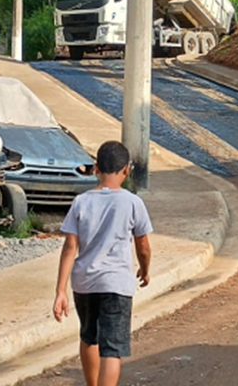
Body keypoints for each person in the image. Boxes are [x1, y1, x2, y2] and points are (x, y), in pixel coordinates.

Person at [53, 141, 153, 386]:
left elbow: (69, 248)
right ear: (126, 170)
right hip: (116, 283)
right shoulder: (132, 203)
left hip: (84, 283)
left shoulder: (81, 202)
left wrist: (60, 291)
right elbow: (143, 246)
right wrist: (145, 269)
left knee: (89, 338)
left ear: (96, 168)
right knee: (112, 348)